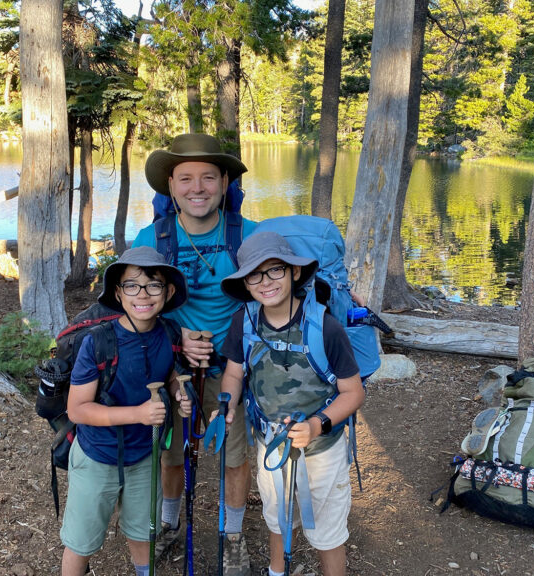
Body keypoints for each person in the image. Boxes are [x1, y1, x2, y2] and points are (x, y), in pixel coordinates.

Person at [132, 133, 257, 575]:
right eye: (186, 178)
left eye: (208, 177)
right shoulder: (152, 240)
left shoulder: (248, 236)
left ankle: (234, 536)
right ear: (170, 185)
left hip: (230, 373)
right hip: (172, 371)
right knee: (170, 453)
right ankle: (168, 525)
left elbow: (276, 296)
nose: (197, 187)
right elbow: (133, 305)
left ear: (225, 183)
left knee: (234, 456)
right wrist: (177, 333)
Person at [218, 232, 365, 576]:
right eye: (255, 274)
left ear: (294, 273)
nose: (265, 282)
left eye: (275, 271)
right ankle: (276, 570)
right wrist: (227, 402)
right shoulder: (245, 321)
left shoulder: (324, 327)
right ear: (245, 282)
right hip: (271, 445)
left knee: (327, 531)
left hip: (322, 450)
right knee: (278, 518)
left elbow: (353, 393)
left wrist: (316, 426)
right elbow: (234, 374)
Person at [60, 246, 192, 576]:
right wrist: (138, 414)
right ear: (118, 294)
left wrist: (180, 393)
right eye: (132, 285)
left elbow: (171, 375)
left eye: (153, 285)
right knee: (81, 542)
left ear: (169, 291)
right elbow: (77, 410)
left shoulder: (170, 333)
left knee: (143, 532)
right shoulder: (98, 342)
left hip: (145, 458)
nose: (143, 294)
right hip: (96, 457)